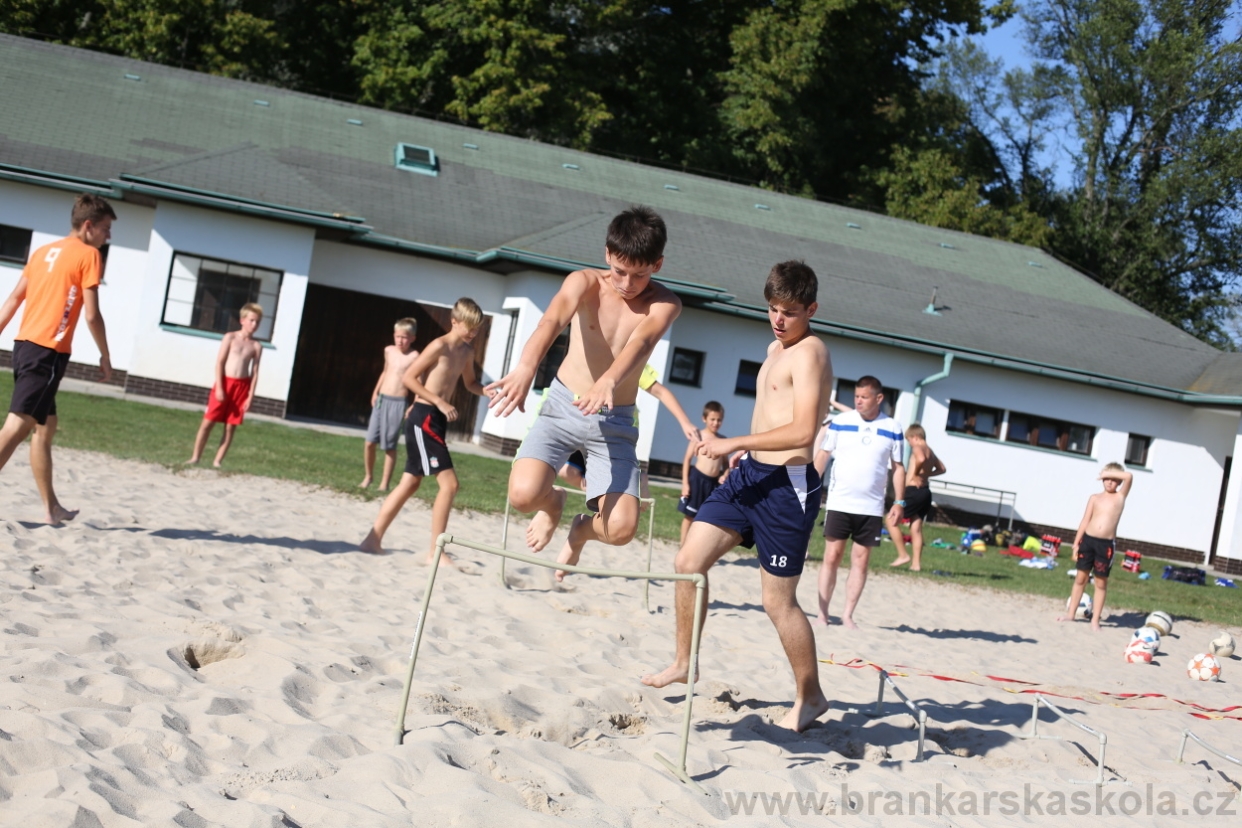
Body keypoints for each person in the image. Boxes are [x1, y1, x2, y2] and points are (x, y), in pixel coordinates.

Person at [642, 261, 832, 733]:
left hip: (788, 487)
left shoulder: (811, 353)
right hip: (749, 477)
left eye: (789, 311)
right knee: (688, 562)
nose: (778, 319)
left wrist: (734, 443)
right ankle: (684, 661)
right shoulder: (774, 347)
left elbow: (804, 431)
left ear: (811, 309)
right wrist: (744, 453)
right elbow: (771, 413)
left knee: (777, 602)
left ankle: (811, 696)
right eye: (773, 308)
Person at [486, 206, 681, 581]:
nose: (627, 283)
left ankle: (580, 531)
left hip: (615, 422)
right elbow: (551, 320)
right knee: (523, 496)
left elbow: (641, 342)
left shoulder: (665, 303)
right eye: (620, 271)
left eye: (639, 275)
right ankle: (554, 503)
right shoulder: (584, 283)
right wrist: (526, 367)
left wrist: (609, 379)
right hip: (564, 406)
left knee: (622, 529)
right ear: (607, 254)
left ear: (657, 264)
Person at [0, 193, 114, 524]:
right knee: (15, 428)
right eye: (106, 228)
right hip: (47, 353)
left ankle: (51, 508)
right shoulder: (89, 255)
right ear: (88, 225)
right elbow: (92, 315)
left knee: (45, 426)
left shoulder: (43, 251)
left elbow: (14, 298)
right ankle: (51, 507)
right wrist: (105, 355)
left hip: (24, 346)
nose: (108, 236)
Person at [360, 298, 488, 561]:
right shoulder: (439, 346)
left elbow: (471, 383)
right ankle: (436, 553)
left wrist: (490, 392)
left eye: (477, 328)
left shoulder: (466, 351)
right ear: (455, 321)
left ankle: (372, 540)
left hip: (435, 419)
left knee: (410, 483)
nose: (473, 332)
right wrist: (439, 401)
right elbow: (408, 378)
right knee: (450, 485)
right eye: (470, 326)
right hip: (424, 417)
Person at [813, 376, 904, 629]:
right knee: (832, 556)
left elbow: (898, 467)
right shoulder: (841, 422)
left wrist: (899, 502)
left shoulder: (893, 427)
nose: (858, 401)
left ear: (879, 398)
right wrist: (810, 486)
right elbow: (823, 455)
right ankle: (822, 614)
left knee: (861, 561)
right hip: (840, 502)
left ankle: (847, 615)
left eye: (864, 397)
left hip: (871, 507)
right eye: (856, 396)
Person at [560, 363, 700, 494]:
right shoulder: (588, 359)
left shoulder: (629, 364)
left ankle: (638, 481)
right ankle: (595, 492)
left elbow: (661, 392)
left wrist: (685, 422)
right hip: (585, 428)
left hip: (615, 430)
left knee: (611, 483)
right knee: (566, 471)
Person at [187, 304, 264, 467]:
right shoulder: (230, 338)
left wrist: (250, 396)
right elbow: (220, 363)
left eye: (257, 322)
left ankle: (217, 461)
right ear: (242, 320)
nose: (254, 325)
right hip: (225, 383)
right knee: (208, 422)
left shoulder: (256, 346)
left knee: (230, 427)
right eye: (251, 320)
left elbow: (255, 373)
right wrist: (220, 388)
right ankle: (195, 457)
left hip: (241, 387)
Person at [1058, 463, 1133, 630]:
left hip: (1105, 546)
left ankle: (1095, 620)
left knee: (1100, 583)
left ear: (1119, 481)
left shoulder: (1120, 497)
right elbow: (1085, 520)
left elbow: (1129, 476)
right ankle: (1071, 614)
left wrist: (1107, 472)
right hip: (1088, 541)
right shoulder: (1095, 498)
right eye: (1106, 479)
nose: (1110, 482)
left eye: (1114, 479)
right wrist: (1076, 543)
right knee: (1080, 579)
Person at [360, 318, 420, 491]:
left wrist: (414, 404)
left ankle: (384, 484)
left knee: (389, 445)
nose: (400, 340)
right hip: (382, 399)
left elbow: (418, 382)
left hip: (398, 402)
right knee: (369, 442)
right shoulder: (389, 350)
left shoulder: (414, 357)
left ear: (412, 338)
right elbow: (385, 371)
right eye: (398, 336)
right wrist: (375, 392)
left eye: (405, 337)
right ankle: (368, 476)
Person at [889, 423, 946, 571]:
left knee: (890, 520)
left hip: (913, 491)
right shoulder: (930, 451)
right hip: (925, 492)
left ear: (915, 437)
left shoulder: (918, 447)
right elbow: (942, 469)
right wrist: (926, 474)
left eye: (909, 440)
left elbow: (920, 459)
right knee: (916, 528)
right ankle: (916, 565)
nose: (909, 444)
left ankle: (903, 555)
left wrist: (916, 473)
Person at [678, 401, 725, 545]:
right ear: (704, 419)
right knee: (690, 516)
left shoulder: (723, 440)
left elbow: (727, 463)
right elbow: (687, 459)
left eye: (719, 420)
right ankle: (683, 546)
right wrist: (685, 484)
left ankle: (696, 547)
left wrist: (725, 474)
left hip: (713, 483)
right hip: (697, 480)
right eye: (712, 419)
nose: (716, 423)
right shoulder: (698, 436)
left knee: (706, 519)